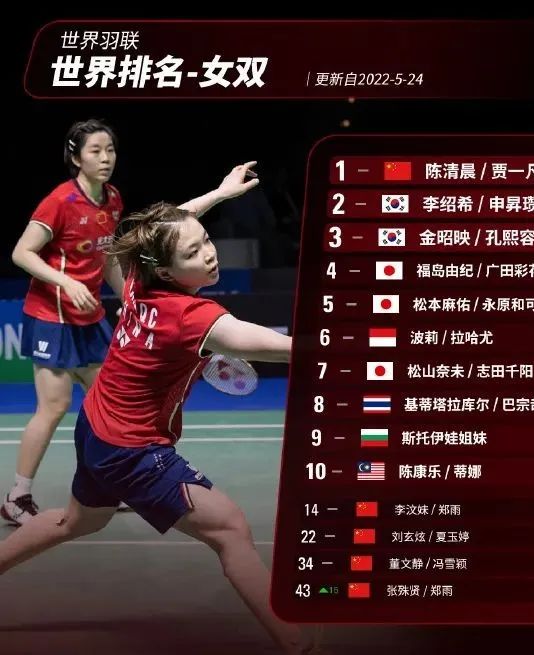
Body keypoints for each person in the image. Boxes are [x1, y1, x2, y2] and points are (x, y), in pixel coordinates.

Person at [0, 175, 321, 654]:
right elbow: (278, 347)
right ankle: (298, 643)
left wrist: (218, 195)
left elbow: (156, 232)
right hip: (131, 449)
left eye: (206, 241)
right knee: (230, 528)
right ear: (167, 271)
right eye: (193, 252)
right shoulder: (192, 317)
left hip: (97, 425)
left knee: (75, 522)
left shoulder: (136, 277)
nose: (209, 254)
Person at [1, 119, 125, 525]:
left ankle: (108, 484)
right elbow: (22, 253)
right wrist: (67, 282)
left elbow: (107, 259)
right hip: (51, 318)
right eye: (95, 151)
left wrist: (128, 297)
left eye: (110, 149)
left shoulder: (113, 199)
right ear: (76, 157)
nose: (105, 158)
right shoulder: (59, 201)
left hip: (90, 317)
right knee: (54, 407)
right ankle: (17, 497)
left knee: (108, 402)